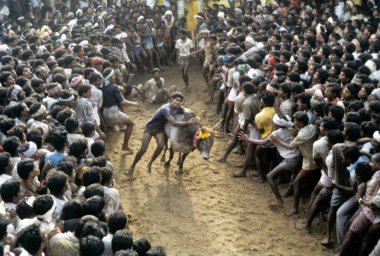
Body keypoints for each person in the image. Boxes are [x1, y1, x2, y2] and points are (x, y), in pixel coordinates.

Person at [128, 92, 198, 177]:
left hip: (159, 129)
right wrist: (188, 123)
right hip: (150, 127)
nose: (178, 102)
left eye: (180, 101)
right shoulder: (166, 108)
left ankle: (150, 163)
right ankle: (132, 166)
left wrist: (196, 118)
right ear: (172, 99)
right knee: (143, 149)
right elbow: (173, 123)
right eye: (177, 100)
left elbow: (188, 111)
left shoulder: (178, 108)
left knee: (161, 145)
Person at [101, 68, 138, 151]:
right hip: (113, 112)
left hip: (105, 112)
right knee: (130, 124)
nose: (115, 77)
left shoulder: (102, 86)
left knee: (111, 130)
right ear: (111, 77)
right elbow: (122, 101)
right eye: (113, 75)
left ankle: (105, 149)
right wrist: (134, 104)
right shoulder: (114, 87)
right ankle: (125, 146)